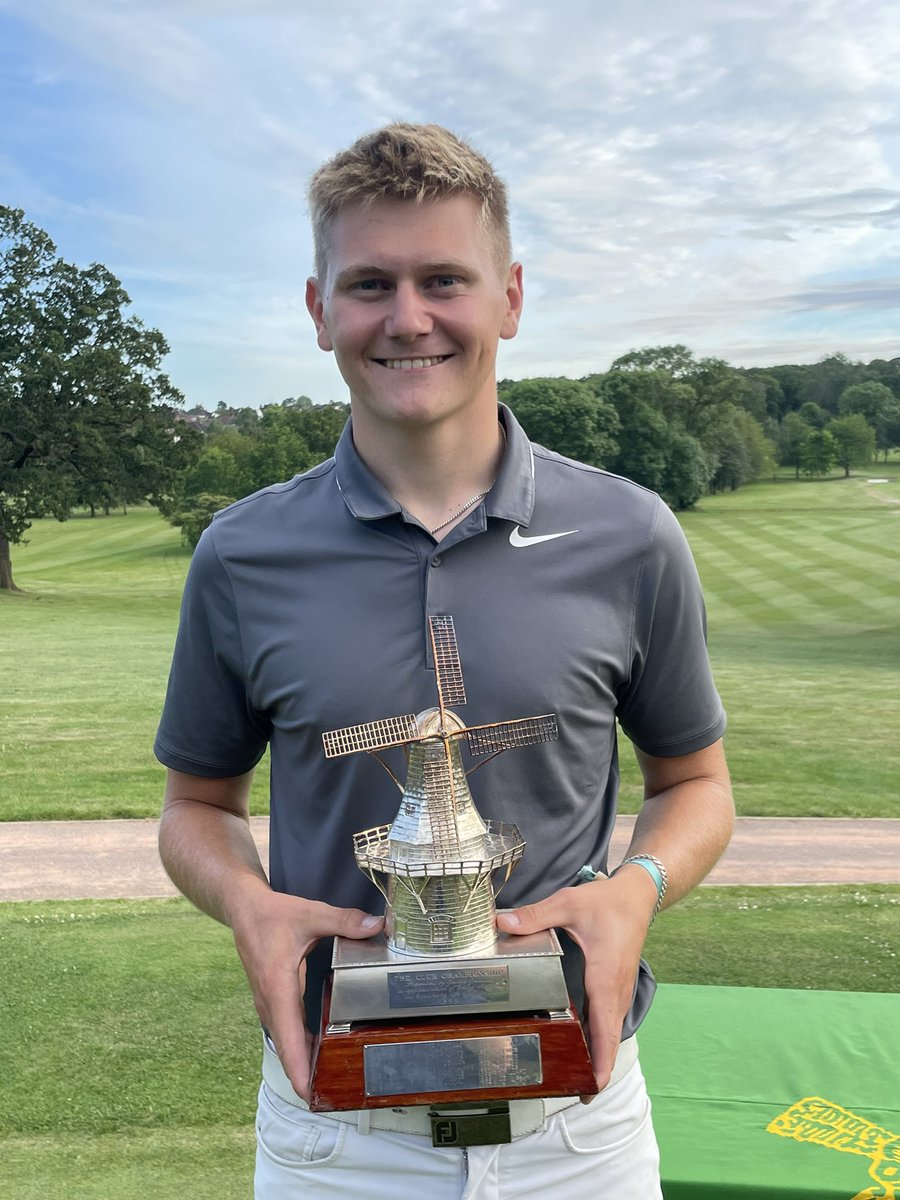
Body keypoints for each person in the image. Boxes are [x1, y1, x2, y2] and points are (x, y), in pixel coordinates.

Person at [155, 122, 734, 1199]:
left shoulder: (629, 533)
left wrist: (639, 887)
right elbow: (196, 805)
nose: (407, 318)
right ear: (320, 307)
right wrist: (246, 898)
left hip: (578, 1125)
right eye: (369, 282)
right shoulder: (242, 553)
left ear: (509, 298)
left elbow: (695, 782)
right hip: (338, 1136)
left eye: (444, 280)